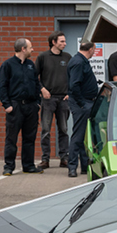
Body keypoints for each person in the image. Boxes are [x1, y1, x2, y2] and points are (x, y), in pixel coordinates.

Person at [0, 38, 43, 175]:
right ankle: (9, 166)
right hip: (15, 106)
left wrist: (37, 103)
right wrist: (7, 105)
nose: (32, 50)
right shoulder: (8, 65)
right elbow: (3, 86)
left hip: (31, 107)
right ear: (23, 49)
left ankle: (28, 165)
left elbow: (36, 84)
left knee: (29, 138)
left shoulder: (30, 65)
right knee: (11, 138)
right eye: (30, 47)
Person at [35, 33, 71, 169]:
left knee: (63, 129)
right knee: (45, 130)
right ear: (54, 42)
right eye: (62, 41)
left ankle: (64, 158)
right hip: (48, 99)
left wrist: (70, 92)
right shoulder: (43, 57)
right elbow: (34, 76)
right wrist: (42, 89)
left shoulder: (67, 57)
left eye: (65, 41)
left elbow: (74, 76)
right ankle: (45, 159)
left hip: (63, 99)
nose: (64, 43)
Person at [66, 38, 101, 178]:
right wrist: (81, 103)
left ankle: (85, 166)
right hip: (82, 103)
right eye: (94, 49)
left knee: (84, 136)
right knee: (78, 135)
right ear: (91, 49)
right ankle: (72, 167)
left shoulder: (82, 61)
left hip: (87, 102)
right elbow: (74, 85)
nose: (94, 52)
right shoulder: (78, 62)